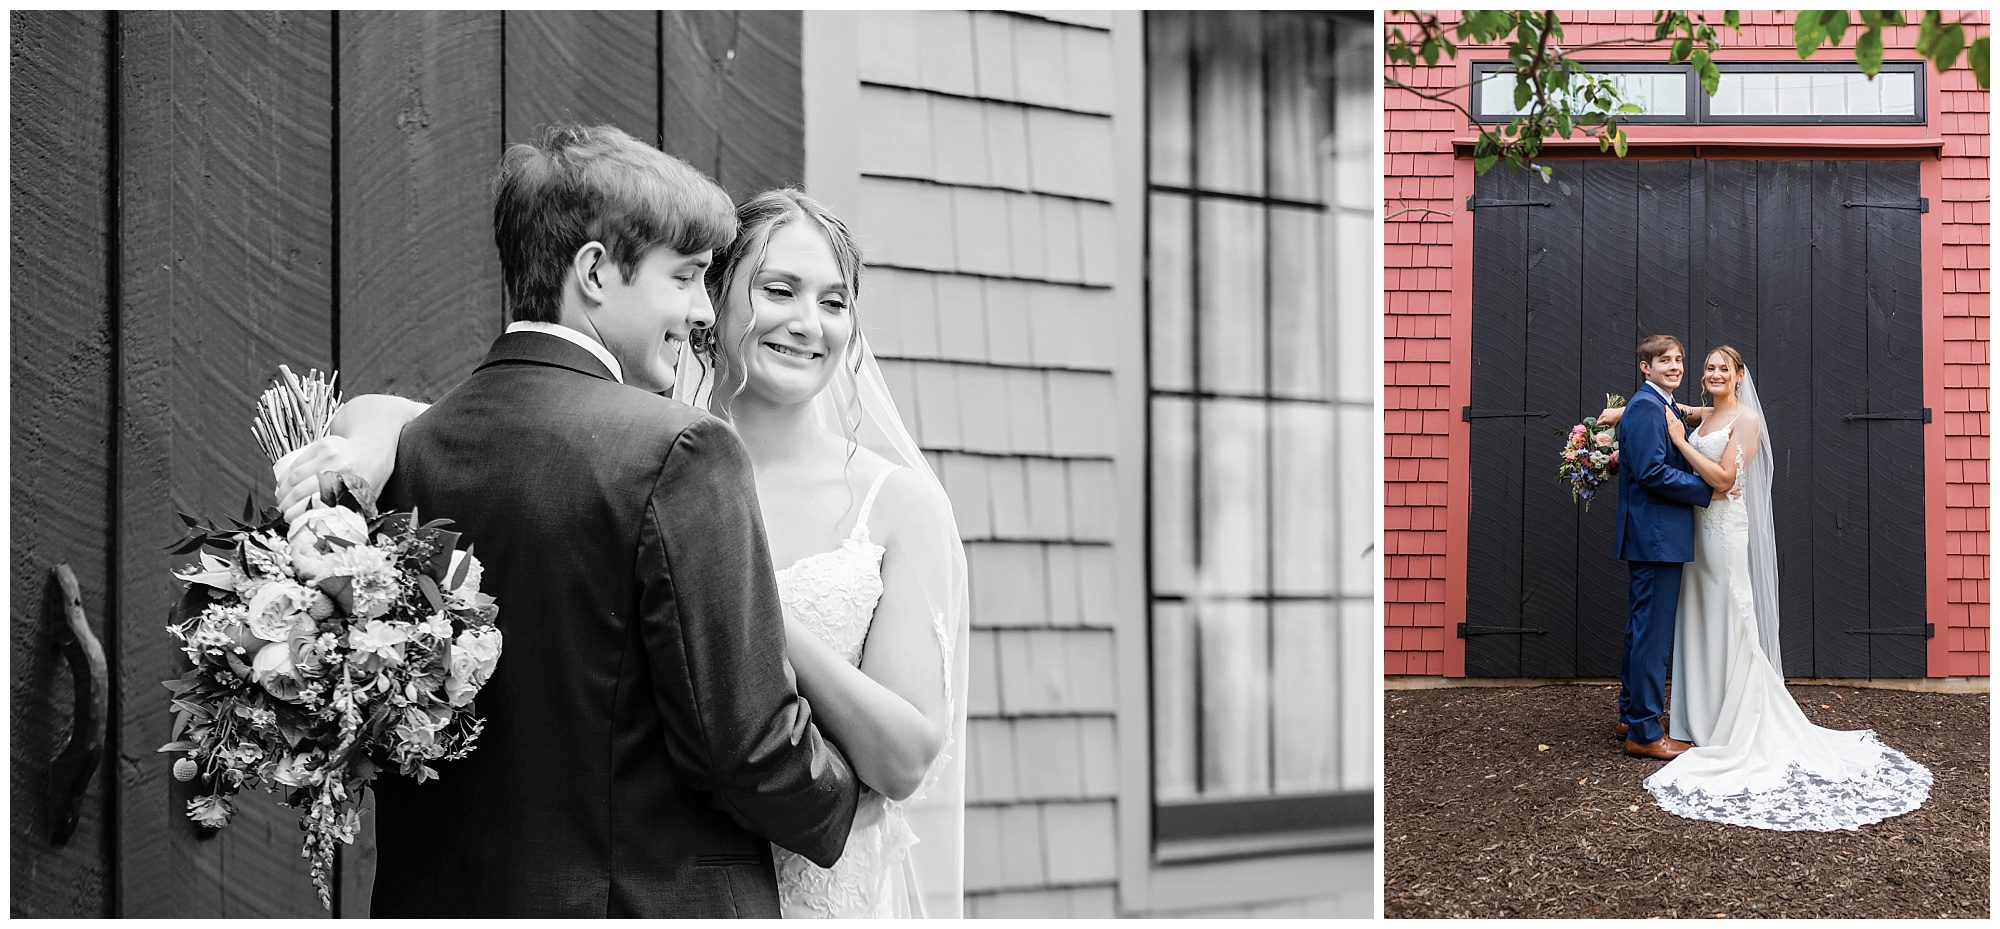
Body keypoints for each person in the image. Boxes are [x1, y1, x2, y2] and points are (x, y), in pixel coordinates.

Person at [281, 184, 968, 915]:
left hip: (819, 880)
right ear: (713, 299)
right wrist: (364, 440)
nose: (808, 323)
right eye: (780, 290)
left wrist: (746, 605)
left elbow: (905, 758)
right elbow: (435, 420)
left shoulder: (896, 505)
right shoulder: (647, 458)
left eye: (834, 302)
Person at [1642, 346, 1931, 830]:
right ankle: (1702, 721)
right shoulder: (1707, 413)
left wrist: (1681, 443)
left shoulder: (1747, 419)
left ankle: (1738, 722)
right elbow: (1670, 406)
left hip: (1723, 532)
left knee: (1731, 619)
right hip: (1696, 531)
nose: (1714, 374)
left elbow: (1725, 478)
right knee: (1699, 617)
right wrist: (1618, 412)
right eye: (1708, 368)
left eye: (1723, 369)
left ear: (1739, 375)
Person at [1610, 335, 1715, 760]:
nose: (1674, 366)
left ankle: (1630, 715)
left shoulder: (1661, 405)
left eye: (1678, 360)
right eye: (1664, 361)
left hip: (1656, 535)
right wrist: (1705, 487)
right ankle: (1646, 733)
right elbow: (1652, 472)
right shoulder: (1646, 408)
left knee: (1642, 631)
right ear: (1645, 367)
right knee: (1651, 636)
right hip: (1655, 537)